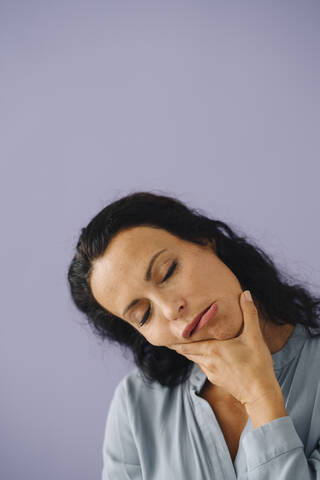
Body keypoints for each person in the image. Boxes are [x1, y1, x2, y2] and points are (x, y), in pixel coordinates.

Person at [67, 191, 320, 479]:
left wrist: (260, 396)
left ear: (204, 240)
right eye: (144, 316)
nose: (171, 309)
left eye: (168, 271)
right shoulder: (136, 405)